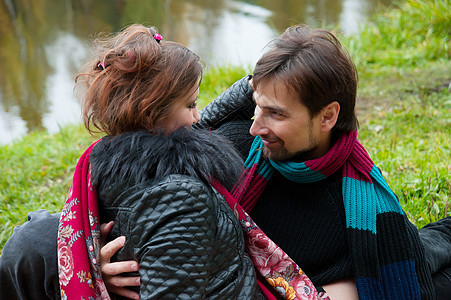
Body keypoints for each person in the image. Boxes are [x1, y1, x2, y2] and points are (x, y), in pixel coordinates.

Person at [103, 25, 451, 299]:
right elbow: (143, 194)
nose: (256, 125)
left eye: (275, 114)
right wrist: (101, 262)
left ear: (328, 116)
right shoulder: (234, 146)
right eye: (257, 106)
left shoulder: (367, 213)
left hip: (356, 266)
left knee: (428, 250)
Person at [0, 23, 260, 299]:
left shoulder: (104, 161)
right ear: (152, 113)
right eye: (191, 104)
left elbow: (200, 126)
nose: (197, 117)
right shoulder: (181, 198)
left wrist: (250, 88)